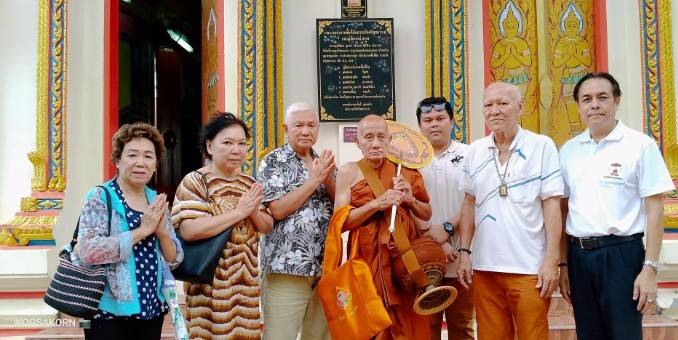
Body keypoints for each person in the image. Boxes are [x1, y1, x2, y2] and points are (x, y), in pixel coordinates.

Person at [558, 72, 675, 340]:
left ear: (616, 101)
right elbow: (564, 209)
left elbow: (655, 208)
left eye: (602, 97)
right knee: (589, 333)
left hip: (622, 255)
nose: (594, 104)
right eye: (586, 99)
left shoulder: (639, 145)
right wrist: (563, 265)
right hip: (580, 256)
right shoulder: (569, 151)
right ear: (578, 106)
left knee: (624, 334)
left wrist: (650, 268)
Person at [456, 82, 563, 340]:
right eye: (488, 105)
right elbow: (469, 203)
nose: (495, 110)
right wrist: (464, 252)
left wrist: (552, 259)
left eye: (503, 103)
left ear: (520, 107)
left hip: (529, 268)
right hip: (485, 268)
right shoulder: (475, 151)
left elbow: (552, 205)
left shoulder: (542, 146)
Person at [75, 122, 184, 340]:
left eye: (148, 156)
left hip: (151, 307)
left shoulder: (155, 200)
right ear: (117, 160)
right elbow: (87, 250)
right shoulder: (100, 197)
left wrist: (162, 234)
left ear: (155, 164)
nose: (140, 163)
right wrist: (142, 231)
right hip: (107, 312)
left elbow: (174, 259)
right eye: (132, 155)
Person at [171, 113, 273, 339]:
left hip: (245, 285)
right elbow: (189, 230)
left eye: (241, 143)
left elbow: (266, 226)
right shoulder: (196, 181)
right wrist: (239, 212)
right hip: (209, 287)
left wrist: (253, 210)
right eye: (227, 143)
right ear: (209, 145)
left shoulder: (249, 182)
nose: (236, 150)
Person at [333, 114, 432, 340]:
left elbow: (426, 214)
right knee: (371, 320)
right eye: (368, 137)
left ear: (389, 141)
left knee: (407, 320)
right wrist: (376, 204)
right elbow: (340, 222)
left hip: (403, 260)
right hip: (366, 259)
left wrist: (410, 199)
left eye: (381, 137)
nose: (375, 143)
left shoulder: (405, 172)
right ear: (357, 142)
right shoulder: (348, 172)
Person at [257, 102, 335, 340]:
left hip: (324, 266)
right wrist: (314, 180)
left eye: (311, 125)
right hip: (286, 267)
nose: (305, 131)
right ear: (285, 128)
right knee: (280, 336)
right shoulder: (273, 161)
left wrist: (328, 178)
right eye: (299, 125)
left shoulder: (322, 160)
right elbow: (277, 210)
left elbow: (341, 205)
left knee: (319, 336)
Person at [414, 97, 474, 340]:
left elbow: (474, 199)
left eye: (440, 118)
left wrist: (448, 229)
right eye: (427, 120)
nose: (434, 124)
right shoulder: (410, 161)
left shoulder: (471, 154)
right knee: (425, 330)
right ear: (419, 125)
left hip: (462, 256)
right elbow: (406, 205)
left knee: (462, 327)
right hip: (423, 259)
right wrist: (437, 241)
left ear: (452, 121)